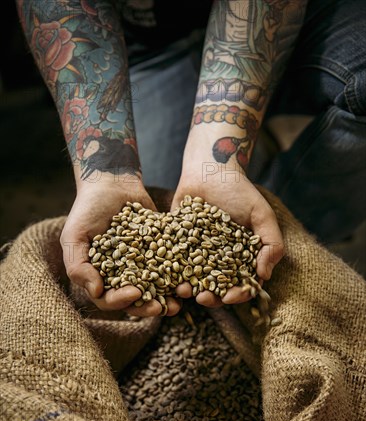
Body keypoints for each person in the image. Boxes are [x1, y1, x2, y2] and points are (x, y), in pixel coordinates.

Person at [16, 0, 366, 316]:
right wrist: (106, 174)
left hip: (294, 17)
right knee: (172, 255)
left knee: (271, 243)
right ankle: (264, 177)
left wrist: (218, 155)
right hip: (142, 47)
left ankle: (305, 233)